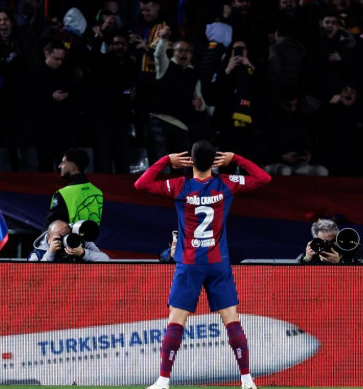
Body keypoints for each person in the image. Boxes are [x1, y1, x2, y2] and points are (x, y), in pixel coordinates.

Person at [134, 141, 271, 389]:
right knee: (232, 321)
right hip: (218, 263)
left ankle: (163, 381)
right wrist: (236, 158)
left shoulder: (179, 186)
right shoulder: (226, 184)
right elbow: (263, 178)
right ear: (215, 162)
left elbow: (140, 184)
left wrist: (166, 160)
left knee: (176, 322)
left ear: (191, 162)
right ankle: (247, 379)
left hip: (189, 264)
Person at [44, 149, 104, 227]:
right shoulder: (98, 192)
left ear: (72, 167)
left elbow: (51, 224)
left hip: (70, 238)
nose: (59, 166)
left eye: (63, 162)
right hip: (92, 238)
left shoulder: (63, 194)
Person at [28, 220, 110, 262]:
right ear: (48, 238)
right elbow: (34, 277)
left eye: (67, 235)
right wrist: (50, 253)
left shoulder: (78, 241)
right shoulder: (37, 254)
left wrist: (83, 253)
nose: (65, 240)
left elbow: (106, 259)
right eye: (59, 238)